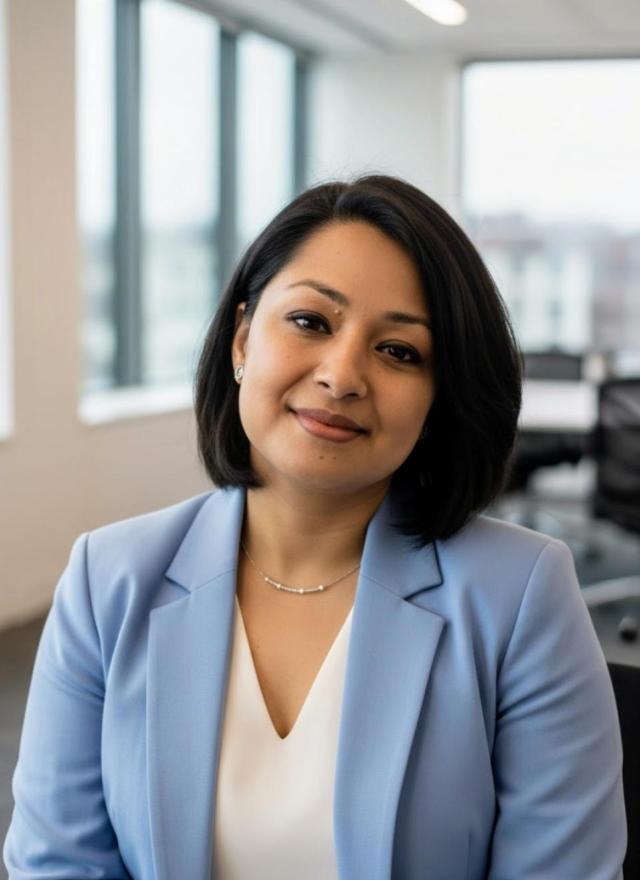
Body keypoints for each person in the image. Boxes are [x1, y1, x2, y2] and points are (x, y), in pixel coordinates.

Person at [3, 175, 625, 880]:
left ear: (437, 400)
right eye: (311, 322)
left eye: (398, 351)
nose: (342, 375)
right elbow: (56, 865)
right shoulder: (106, 581)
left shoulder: (520, 597)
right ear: (242, 340)